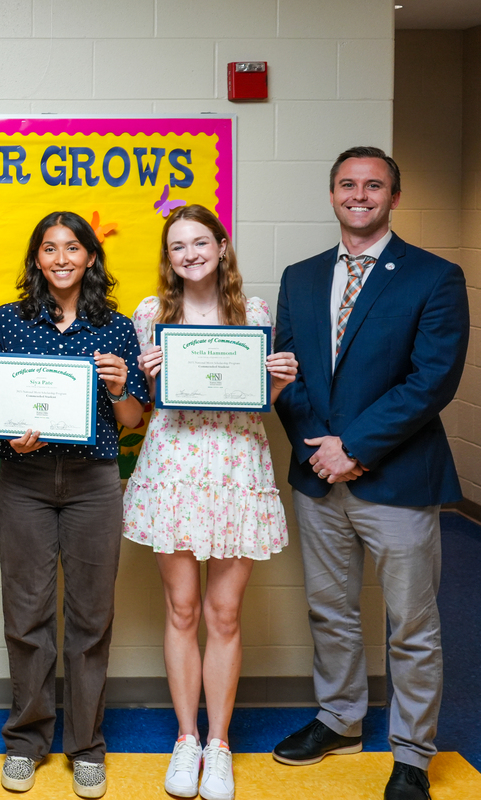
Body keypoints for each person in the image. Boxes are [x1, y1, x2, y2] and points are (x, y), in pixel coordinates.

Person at [272, 147, 468, 800]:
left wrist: (353, 447)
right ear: (332, 195)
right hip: (319, 480)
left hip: (397, 481)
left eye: (374, 185)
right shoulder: (298, 277)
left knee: (412, 626)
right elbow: (285, 369)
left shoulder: (435, 277)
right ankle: (339, 717)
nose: (360, 194)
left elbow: (431, 381)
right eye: (348, 184)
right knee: (331, 611)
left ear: (393, 196)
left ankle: (412, 753)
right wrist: (315, 447)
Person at [0, 211, 148, 798]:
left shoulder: (118, 328)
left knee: (91, 619)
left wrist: (122, 387)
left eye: (74, 248)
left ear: (91, 257)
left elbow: (131, 421)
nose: (63, 258)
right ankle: (26, 740)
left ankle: (87, 746)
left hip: (95, 482)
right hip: (25, 480)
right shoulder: (8, 321)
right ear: (37, 259)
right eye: (50, 249)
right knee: (27, 615)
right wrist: (6, 430)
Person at [122, 204, 297, 800]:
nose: (191, 253)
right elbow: (147, 405)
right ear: (168, 258)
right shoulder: (151, 313)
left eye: (201, 241)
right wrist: (147, 375)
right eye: (178, 246)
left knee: (224, 615)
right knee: (182, 610)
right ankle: (186, 739)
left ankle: (219, 746)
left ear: (222, 247)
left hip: (235, 466)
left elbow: (259, 403)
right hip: (174, 467)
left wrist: (276, 380)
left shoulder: (255, 313)